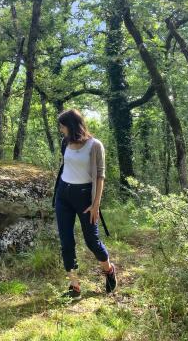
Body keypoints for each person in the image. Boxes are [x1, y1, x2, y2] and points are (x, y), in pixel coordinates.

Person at [54, 108, 116, 300]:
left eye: (62, 126)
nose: (60, 129)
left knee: (92, 241)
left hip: (84, 198)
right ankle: (75, 285)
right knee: (66, 242)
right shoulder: (66, 142)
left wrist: (96, 205)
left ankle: (109, 270)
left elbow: (100, 176)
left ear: (71, 125)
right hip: (63, 194)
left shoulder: (95, 145)